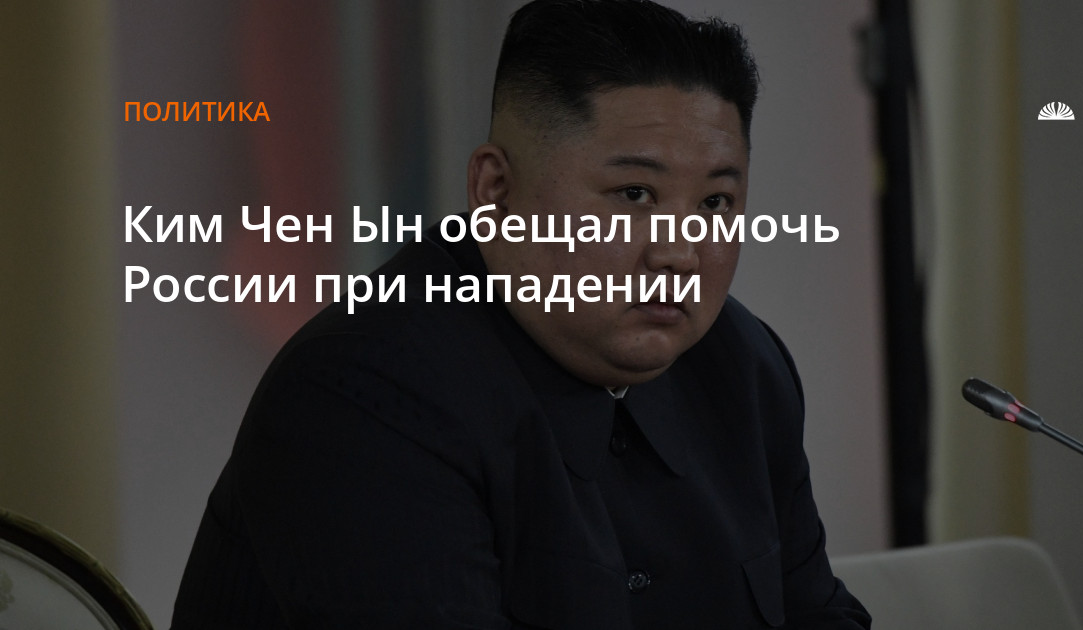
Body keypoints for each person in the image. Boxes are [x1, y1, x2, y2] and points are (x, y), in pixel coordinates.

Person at [171, 1, 871, 628]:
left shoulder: (744, 366)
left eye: (715, 203)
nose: (680, 254)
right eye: (633, 194)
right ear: (495, 189)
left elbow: (818, 613)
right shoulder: (361, 397)